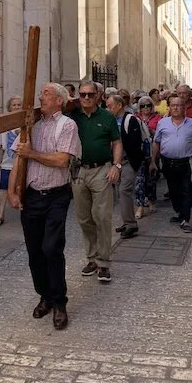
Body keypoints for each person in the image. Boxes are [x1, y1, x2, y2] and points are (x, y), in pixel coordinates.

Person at [8, 83, 81, 330]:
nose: (41, 96)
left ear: (59, 100)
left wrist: (32, 154)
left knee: (52, 248)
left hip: (57, 196)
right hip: (32, 197)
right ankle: (45, 295)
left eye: (47, 93)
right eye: (41, 93)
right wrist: (12, 191)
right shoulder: (31, 126)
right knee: (34, 251)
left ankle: (60, 301)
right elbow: (19, 157)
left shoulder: (67, 125)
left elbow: (62, 160)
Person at [71, 80, 122, 283]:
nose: (86, 98)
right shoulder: (73, 116)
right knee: (84, 218)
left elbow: (117, 142)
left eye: (90, 95)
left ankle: (104, 262)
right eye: (82, 95)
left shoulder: (107, 117)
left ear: (97, 96)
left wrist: (116, 166)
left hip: (101, 169)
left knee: (102, 216)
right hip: (79, 170)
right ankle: (92, 258)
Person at [152, 96, 192, 233]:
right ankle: (179, 212)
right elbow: (156, 142)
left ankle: (185, 219)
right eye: (173, 105)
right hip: (168, 162)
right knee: (173, 191)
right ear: (169, 108)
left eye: (179, 105)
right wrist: (153, 161)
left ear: (184, 108)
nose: (176, 108)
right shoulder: (163, 123)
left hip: (186, 163)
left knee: (186, 190)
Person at [106, 95, 144, 239]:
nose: (108, 109)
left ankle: (131, 224)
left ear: (119, 105)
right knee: (119, 191)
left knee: (124, 190)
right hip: (117, 162)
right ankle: (126, 221)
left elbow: (135, 142)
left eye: (110, 106)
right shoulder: (111, 121)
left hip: (128, 161)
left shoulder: (131, 120)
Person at [0, 96, 22, 227]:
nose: (16, 107)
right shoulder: (4, 125)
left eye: (19, 105)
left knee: (21, 188)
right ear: (9, 107)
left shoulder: (25, 124)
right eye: (14, 105)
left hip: (21, 163)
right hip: (6, 162)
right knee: (3, 188)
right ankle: (0, 214)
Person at [134, 95, 162, 217]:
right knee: (139, 180)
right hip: (139, 153)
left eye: (148, 105)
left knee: (151, 179)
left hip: (153, 152)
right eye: (143, 106)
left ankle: (151, 200)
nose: (145, 108)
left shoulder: (158, 118)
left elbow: (161, 134)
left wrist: (152, 131)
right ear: (139, 107)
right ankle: (140, 206)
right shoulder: (134, 118)